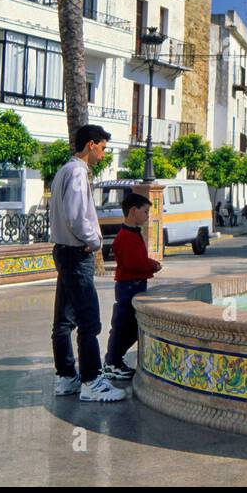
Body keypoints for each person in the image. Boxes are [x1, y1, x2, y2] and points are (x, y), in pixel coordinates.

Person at [51, 124, 126, 403]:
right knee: (89, 320)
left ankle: (66, 377)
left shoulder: (63, 171)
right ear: (91, 144)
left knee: (63, 320)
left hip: (63, 250)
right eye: (103, 148)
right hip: (77, 253)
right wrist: (94, 241)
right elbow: (75, 215)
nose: (104, 154)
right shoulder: (78, 173)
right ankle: (92, 381)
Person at [102, 192, 162, 381]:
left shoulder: (131, 233)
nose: (147, 216)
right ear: (133, 211)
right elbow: (134, 263)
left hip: (134, 284)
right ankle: (112, 362)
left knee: (130, 326)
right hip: (128, 286)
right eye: (145, 212)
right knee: (123, 326)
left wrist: (148, 263)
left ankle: (114, 360)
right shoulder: (126, 236)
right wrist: (152, 265)